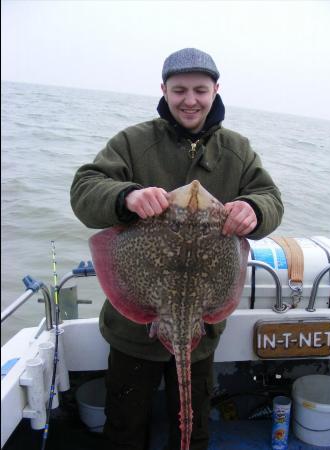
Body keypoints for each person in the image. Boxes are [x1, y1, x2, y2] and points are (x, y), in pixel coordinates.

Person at [70, 48, 283, 450]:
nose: (190, 100)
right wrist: (126, 197)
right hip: (133, 330)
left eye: (200, 90)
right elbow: (85, 189)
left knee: (193, 426)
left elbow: (270, 197)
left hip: (200, 329)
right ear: (164, 90)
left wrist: (253, 209)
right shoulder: (133, 142)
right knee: (126, 427)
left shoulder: (236, 150)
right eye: (179, 89)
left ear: (215, 90)